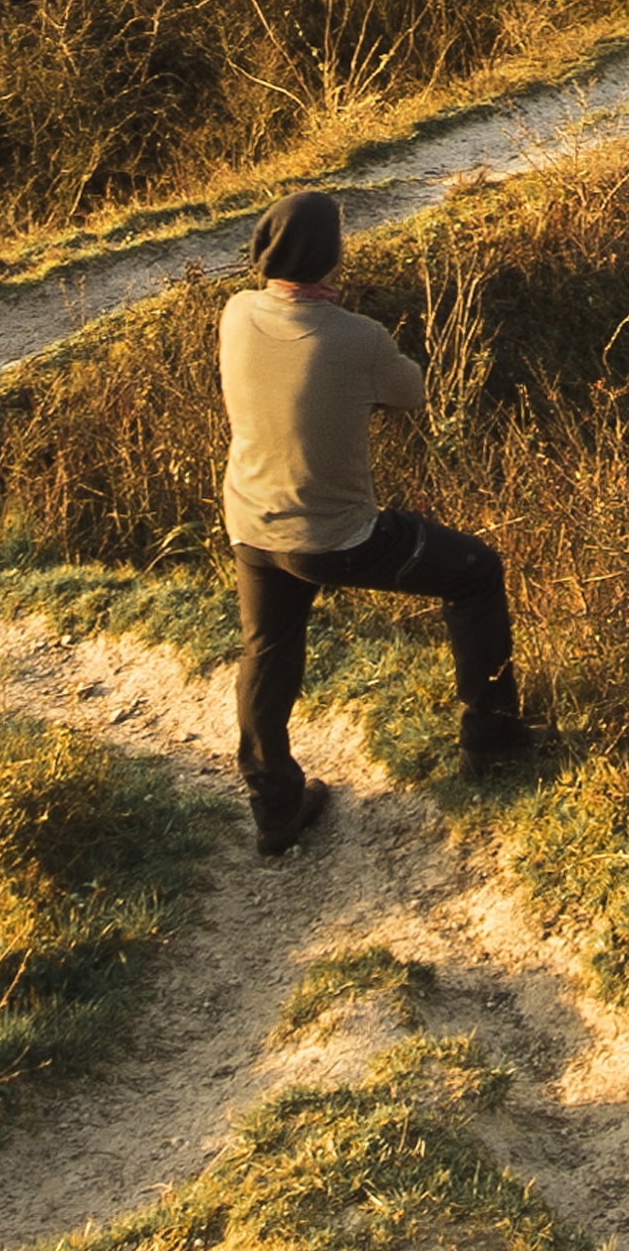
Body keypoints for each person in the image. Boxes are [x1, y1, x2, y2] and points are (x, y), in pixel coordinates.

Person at [218, 189, 526, 852]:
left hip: (250, 523)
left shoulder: (237, 312)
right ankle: (492, 742)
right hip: (337, 537)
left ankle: (276, 807)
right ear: (330, 255)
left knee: (266, 653)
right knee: (474, 571)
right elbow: (409, 392)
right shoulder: (357, 337)